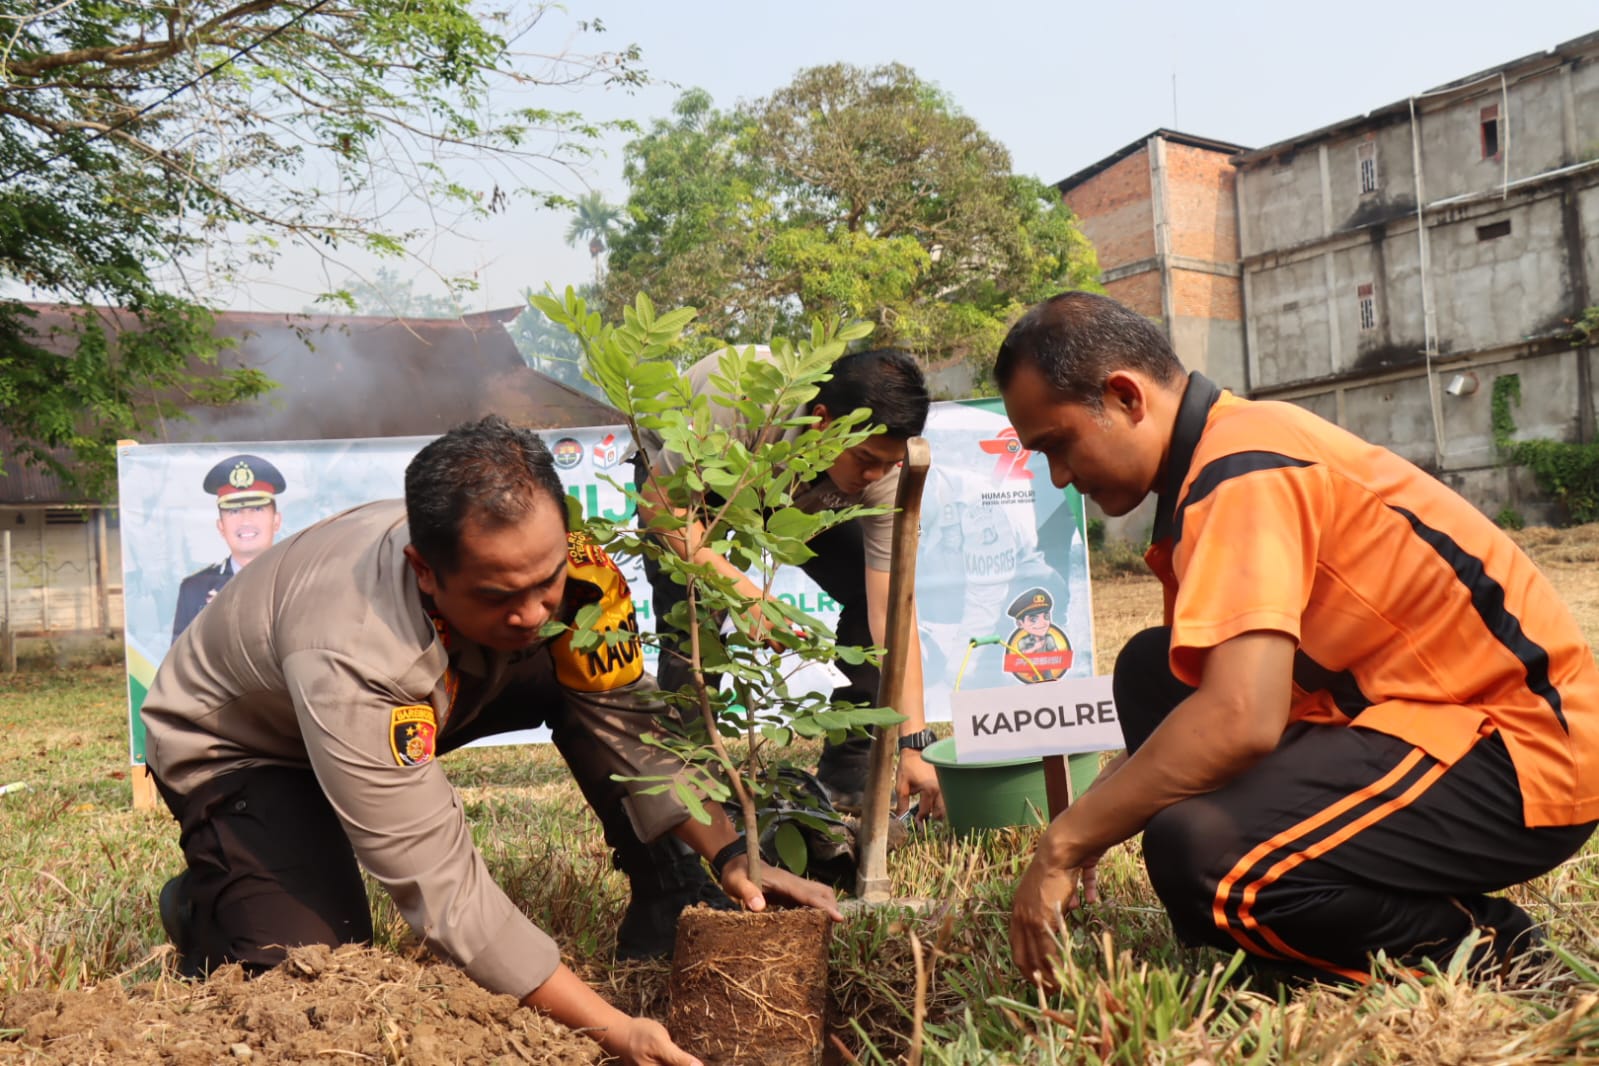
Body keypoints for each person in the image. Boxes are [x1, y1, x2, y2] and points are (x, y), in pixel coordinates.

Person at [144, 416, 840, 1066]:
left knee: (576, 674)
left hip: (439, 679)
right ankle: (215, 892)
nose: (533, 612)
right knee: (317, 975)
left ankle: (665, 888)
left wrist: (730, 850)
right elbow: (440, 888)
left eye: (544, 582)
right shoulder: (355, 649)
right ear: (426, 571)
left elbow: (627, 722)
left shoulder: (575, 575)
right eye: (499, 594)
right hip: (248, 747)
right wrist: (611, 1027)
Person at [997, 291, 1599, 986]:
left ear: (1126, 397)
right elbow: (1221, 698)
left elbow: (1238, 720)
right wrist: (1102, 812)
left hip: (1515, 753)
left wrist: (1063, 845)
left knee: (1201, 855)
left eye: (1057, 444)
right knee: (1150, 670)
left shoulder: (1241, 467)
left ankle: (1490, 952)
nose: (1060, 476)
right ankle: (1299, 923)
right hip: (1403, 718)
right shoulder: (1222, 455)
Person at [632, 347, 944, 818]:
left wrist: (915, 742)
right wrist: (744, 595)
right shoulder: (737, 400)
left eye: (890, 463)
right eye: (865, 458)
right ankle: (691, 781)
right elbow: (661, 508)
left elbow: (893, 609)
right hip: (692, 475)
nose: (875, 476)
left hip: (800, 479)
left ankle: (847, 767)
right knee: (693, 617)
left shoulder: (880, 474)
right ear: (822, 420)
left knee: (863, 590)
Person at [171, 453, 286, 640]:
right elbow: (180, 664)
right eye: (234, 511)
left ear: (276, 521)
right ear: (221, 526)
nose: (246, 520)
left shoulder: (299, 583)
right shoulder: (194, 591)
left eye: (257, 509)